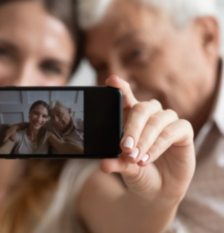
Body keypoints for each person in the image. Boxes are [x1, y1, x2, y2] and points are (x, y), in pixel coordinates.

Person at [0, 1, 195, 233]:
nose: (22, 81)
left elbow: (128, 223)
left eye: (50, 67)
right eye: (2, 52)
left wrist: (163, 199)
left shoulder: (75, 178)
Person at [78, 0, 223, 232]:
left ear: (207, 37)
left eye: (137, 53)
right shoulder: (101, 150)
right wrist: (158, 201)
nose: (115, 83)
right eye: (98, 65)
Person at [0, 100, 83, 154]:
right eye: (36, 113)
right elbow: (3, 151)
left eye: (44, 116)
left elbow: (63, 146)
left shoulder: (48, 134)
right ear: (29, 115)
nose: (39, 119)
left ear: (69, 111)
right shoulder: (18, 134)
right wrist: (15, 126)